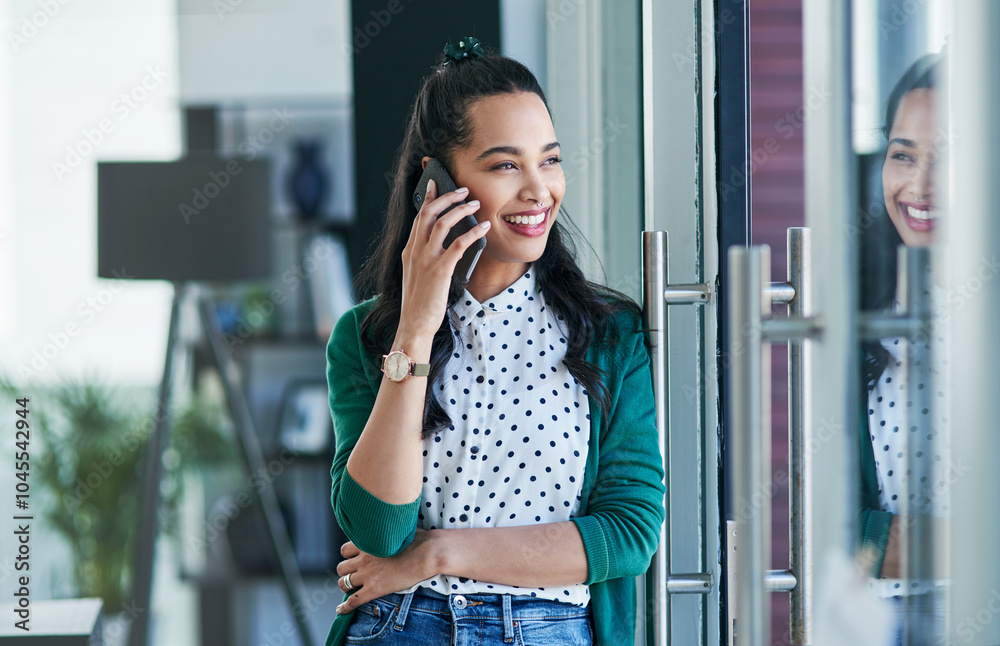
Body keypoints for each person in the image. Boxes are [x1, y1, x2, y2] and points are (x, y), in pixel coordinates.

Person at [324, 38, 665, 646]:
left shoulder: (612, 333)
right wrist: (418, 328)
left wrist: (436, 556)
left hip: (549, 628)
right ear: (437, 181)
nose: (539, 190)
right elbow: (377, 530)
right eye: (506, 165)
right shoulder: (366, 337)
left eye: (550, 160)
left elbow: (629, 533)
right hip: (403, 628)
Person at [856, 52, 948, 645]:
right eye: (903, 155)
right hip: (879, 626)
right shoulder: (860, 323)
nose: (919, 186)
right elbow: (833, 526)